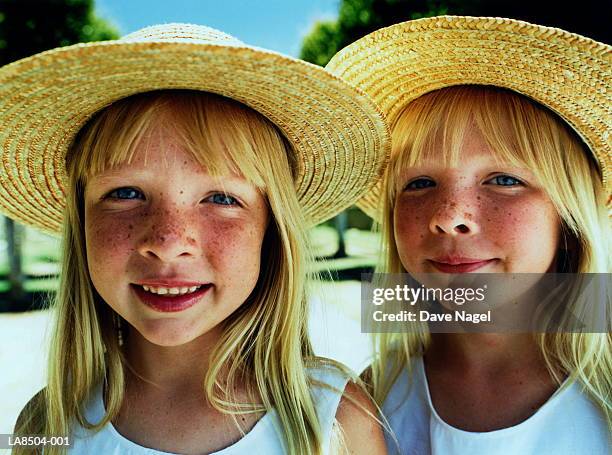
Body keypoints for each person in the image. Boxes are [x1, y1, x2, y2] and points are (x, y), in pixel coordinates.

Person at [0, 23, 390, 454]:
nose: (168, 241)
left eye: (221, 197)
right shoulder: (44, 426)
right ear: (83, 223)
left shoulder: (332, 420)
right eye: (125, 193)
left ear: (271, 232)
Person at [326, 16, 611, 454]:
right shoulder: (367, 405)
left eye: (503, 179)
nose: (450, 217)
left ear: (568, 213)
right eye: (419, 183)